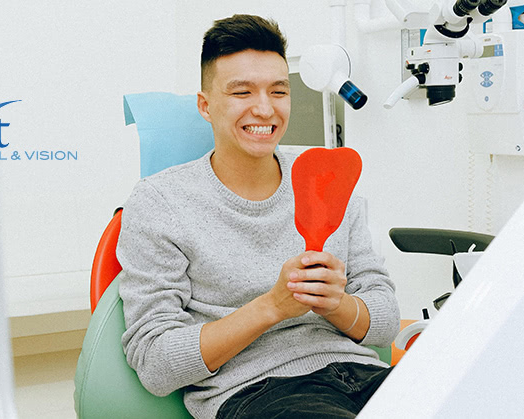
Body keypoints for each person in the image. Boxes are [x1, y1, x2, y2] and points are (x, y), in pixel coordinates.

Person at [117, 14, 400, 419]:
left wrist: (336, 303)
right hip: (255, 391)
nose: (264, 109)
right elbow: (155, 364)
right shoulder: (161, 201)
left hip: (362, 373)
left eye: (278, 91)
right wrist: (272, 306)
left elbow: (384, 320)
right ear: (206, 106)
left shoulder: (324, 176)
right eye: (242, 92)